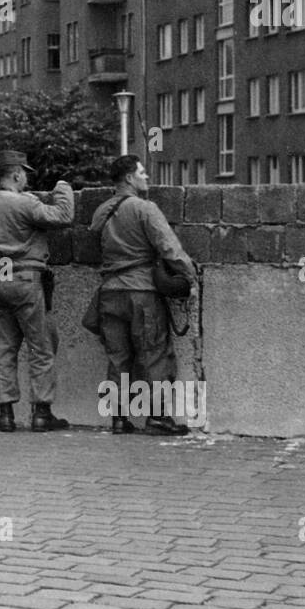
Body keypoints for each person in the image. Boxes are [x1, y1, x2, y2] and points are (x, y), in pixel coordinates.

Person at [0, 151, 75, 433]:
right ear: (17, 174)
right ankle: (42, 413)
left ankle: (5, 415)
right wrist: (63, 188)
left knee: (4, 350)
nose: (26, 180)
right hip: (26, 277)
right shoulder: (24, 203)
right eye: (25, 174)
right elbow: (63, 216)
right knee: (40, 347)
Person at [89, 154, 195, 436]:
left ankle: (118, 418)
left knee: (117, 357)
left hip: (109, 292)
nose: (146, 177)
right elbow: (169, 248)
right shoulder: (145, 209)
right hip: (142, 292)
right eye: (142, 173)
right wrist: (190, 277)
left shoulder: (101, 211)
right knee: (154, 355)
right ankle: (158, 417)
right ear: (129, 178)